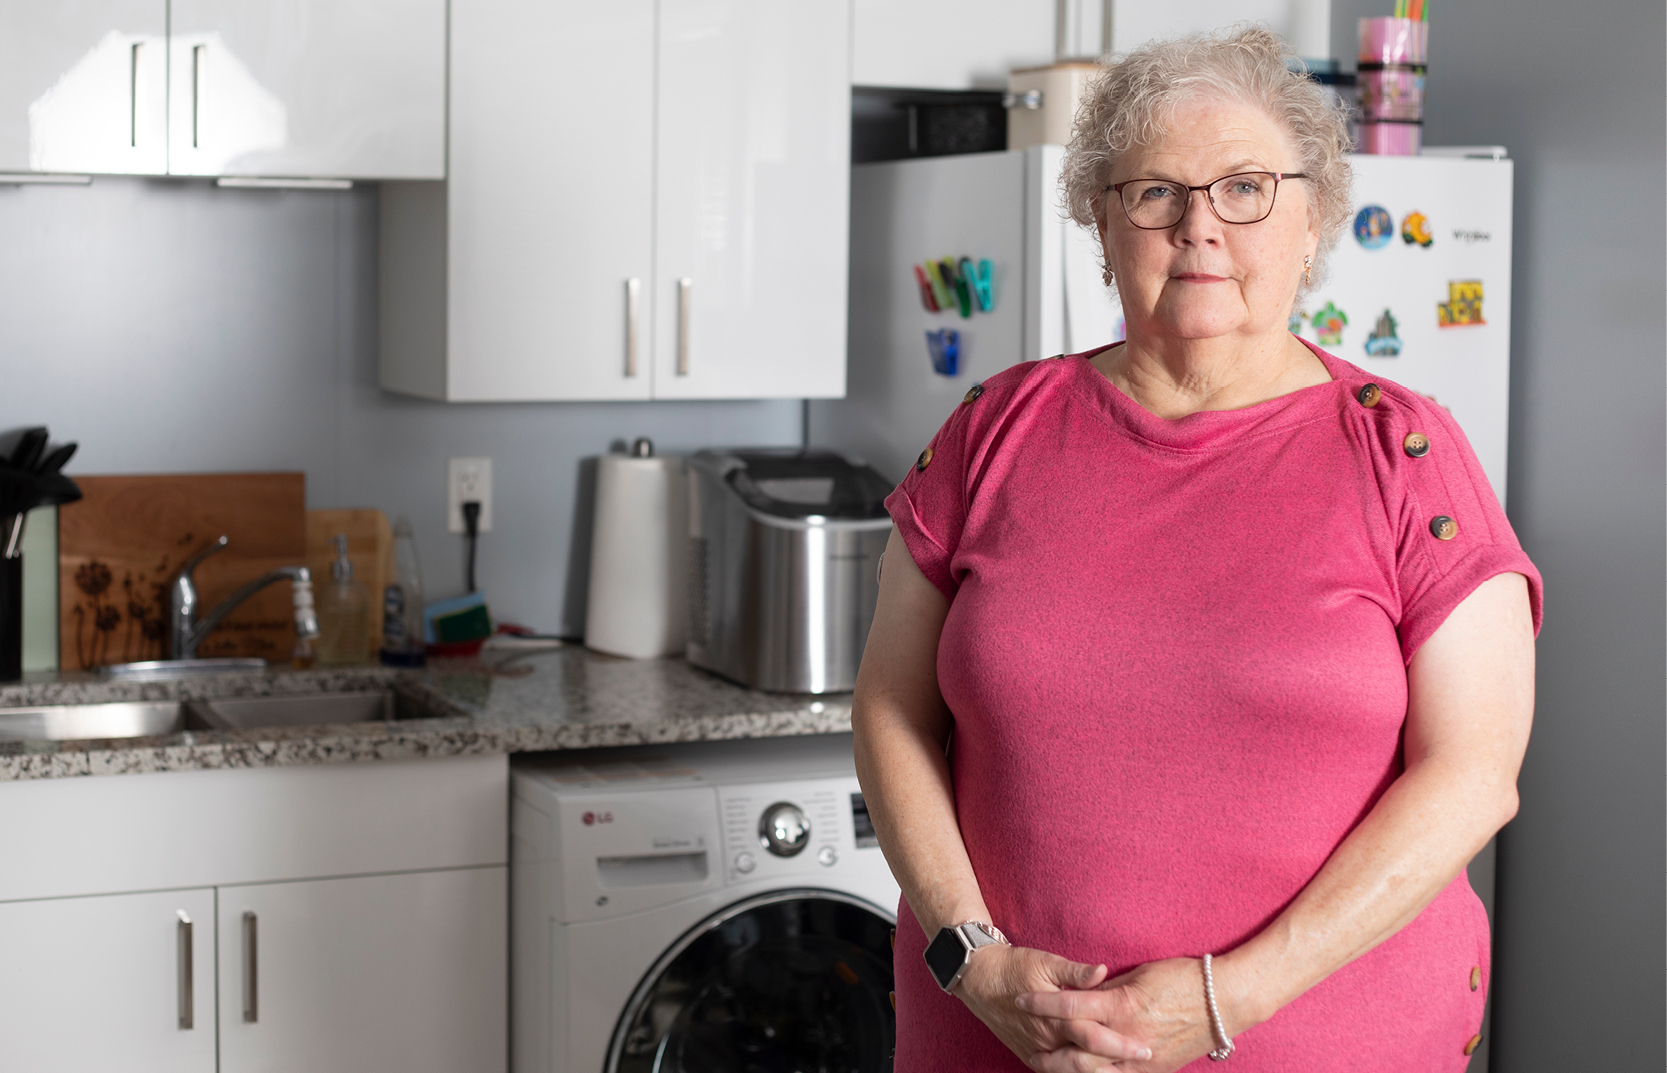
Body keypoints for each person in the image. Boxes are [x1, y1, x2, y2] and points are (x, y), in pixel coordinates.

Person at [852, 26, 1541, 1073]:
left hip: (1321, 1045)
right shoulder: (994, 427)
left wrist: (1227, 998)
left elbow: (1473, 771)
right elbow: (891, 707)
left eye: (1245, 188)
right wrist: (971, 957)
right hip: (993, 1035)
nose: (1198, 226)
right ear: (1100, 219)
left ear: (1311, 218)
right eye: (1153, 192)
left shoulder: (1404, 453)